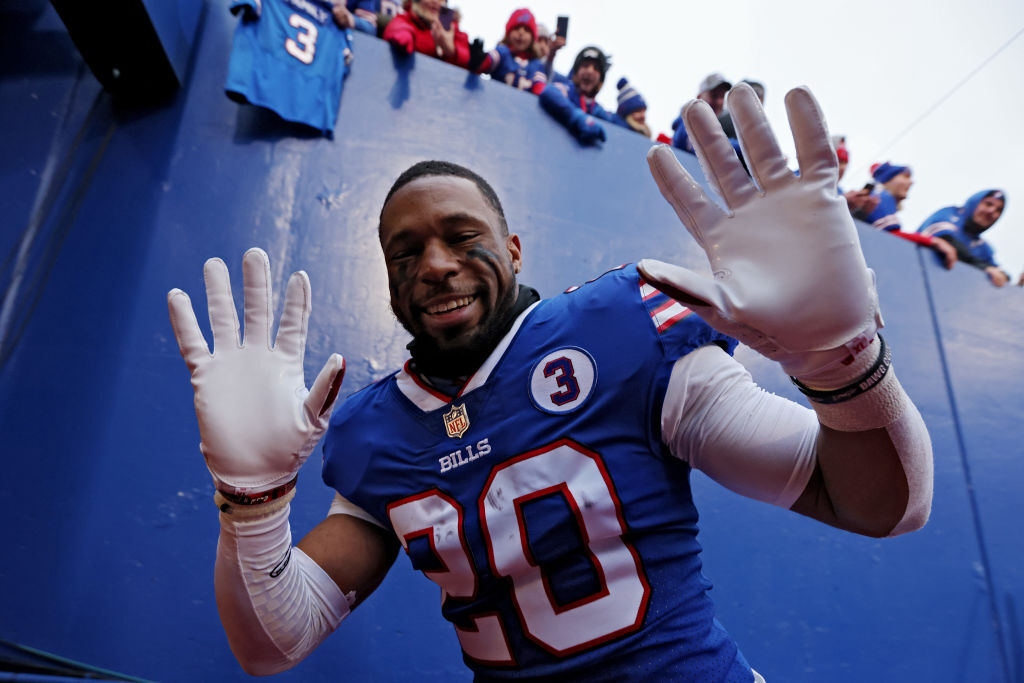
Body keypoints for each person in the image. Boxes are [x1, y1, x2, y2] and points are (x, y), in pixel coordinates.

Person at [167, 84, 933, 680]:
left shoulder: (623, 332)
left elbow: (876, 504)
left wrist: (843, 366)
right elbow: (275, 643)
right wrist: (253, 505)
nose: (434, 264)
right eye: (405, 254)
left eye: (461, 237)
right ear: (391, 283)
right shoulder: (375, 431)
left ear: (515, 248)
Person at [861, 161, 957, 268]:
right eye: (905, 176)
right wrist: (933, 241)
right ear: (888, 180)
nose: (911, 182)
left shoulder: (883, 197)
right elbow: (891, 235)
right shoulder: (881, 196)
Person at [918, 189, 1011, 286]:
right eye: (988, 204)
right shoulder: (950, 213)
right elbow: (946, 241)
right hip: (919, 279)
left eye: (998, 210)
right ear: (975, 202)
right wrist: (983, 267)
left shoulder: (983, 247)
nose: (991, 211)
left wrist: (1014, 283)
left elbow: (998, 273)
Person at [538, 46, 626, 145]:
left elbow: (621, 125)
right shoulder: (567, 90)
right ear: (575, 73)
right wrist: (576, 116)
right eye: (585, 65)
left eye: (596, 68)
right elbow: (549, 91)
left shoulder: (597, 109)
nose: (590, 71)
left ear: (601, 80)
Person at [471, 8, 547, 94]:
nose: (521, 33)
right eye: (517, 28)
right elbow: (489, 61)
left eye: (526, 30)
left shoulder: (537, 65)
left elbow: (540, 88)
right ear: (508, 33)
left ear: (533, 38)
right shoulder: (502, 52)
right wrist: (479, 60)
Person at [382, 0, 469, 68]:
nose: (435, 1)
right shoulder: (407, 19)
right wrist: (406, 35)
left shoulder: (452, 29)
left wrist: (452, 50)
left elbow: (469, 57)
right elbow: (398, 27)